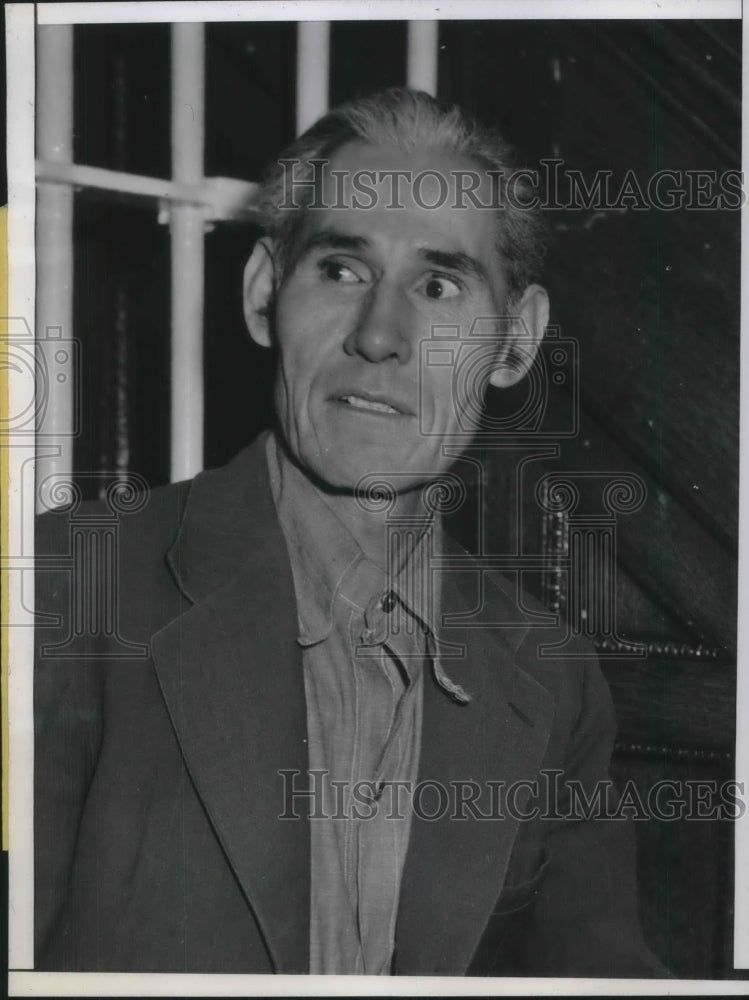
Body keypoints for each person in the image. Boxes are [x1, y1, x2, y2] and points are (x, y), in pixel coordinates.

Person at [34, 87, 666, 976]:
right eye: (340, 270)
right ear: (264, 293)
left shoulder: (549, 677)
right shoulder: (65, 588)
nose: (378, 335)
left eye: (438, 286)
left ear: (516, 342)